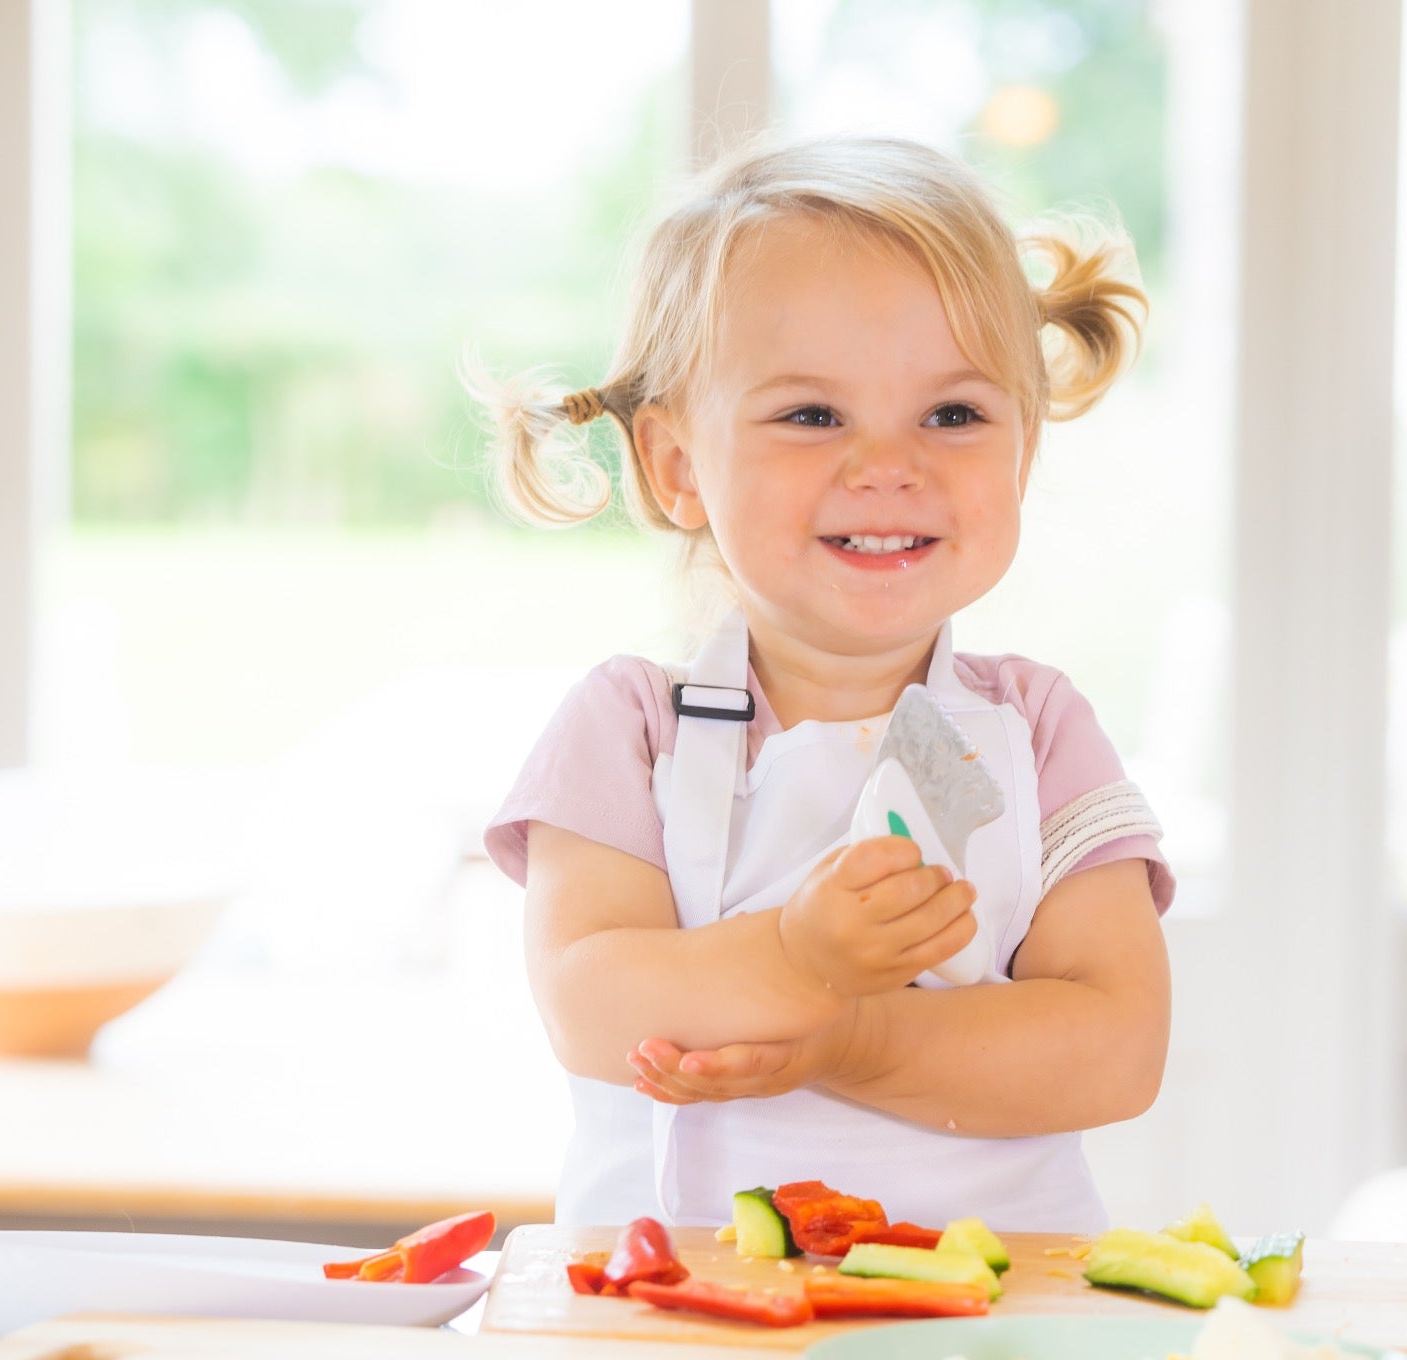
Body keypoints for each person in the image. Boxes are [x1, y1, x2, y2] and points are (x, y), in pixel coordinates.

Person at [476, 135, 1173, 1233]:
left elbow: (1115, 1047)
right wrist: (794, 957)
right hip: (677, 1311)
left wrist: (855, 1036)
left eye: (953, 414)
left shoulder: (1039, 731)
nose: (889, 463)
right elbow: (589, 1002)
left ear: (1023, 453)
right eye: (812, 415)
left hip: (998, 1319)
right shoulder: (630, 729)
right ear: (677, 466)